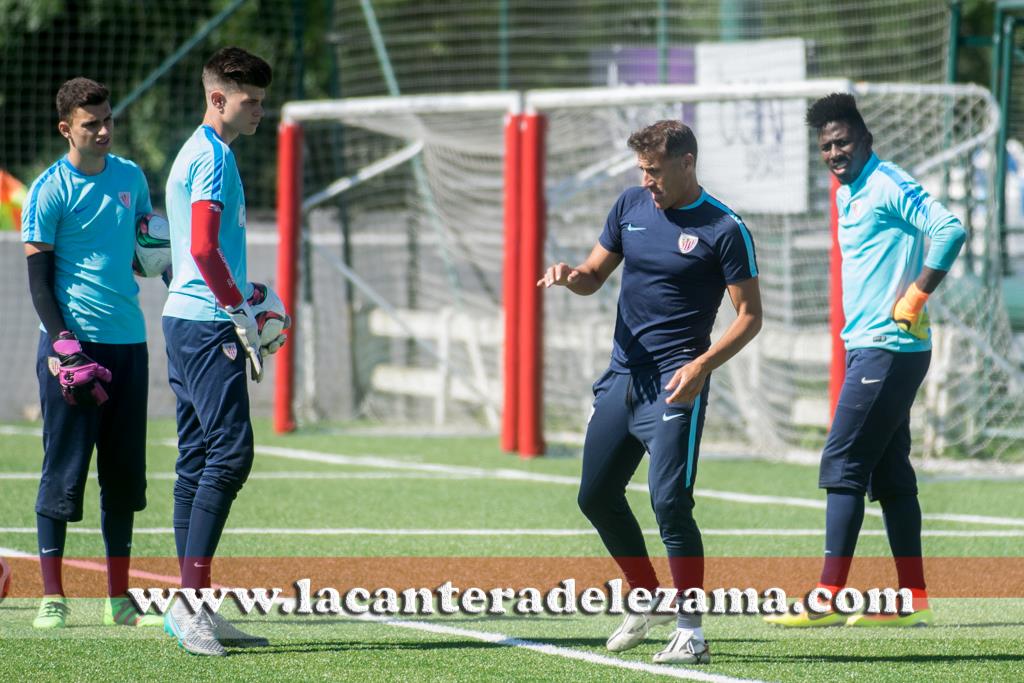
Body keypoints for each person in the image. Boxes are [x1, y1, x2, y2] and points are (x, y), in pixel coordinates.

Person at [538, 120, 762, 664]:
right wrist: (572, 276)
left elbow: (750, 317)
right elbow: (595, 273)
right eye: (641, 170)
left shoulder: (725, 228)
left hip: (675, 385)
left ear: (687, 163)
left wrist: (703, 364)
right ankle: (645, 595)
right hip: (622, 379)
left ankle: (691, 630)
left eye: (655, 171)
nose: (647, 181)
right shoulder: (629, 207)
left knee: (669, 502)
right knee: (594, 495)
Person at [765, 93, 966, 628]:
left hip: (889, 349)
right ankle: (911, 596)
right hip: (870, 349)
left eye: (843, 142)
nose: (834, 153)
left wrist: (917, 295)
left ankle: (827, 596)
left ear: (866, 140)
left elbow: (950, 229)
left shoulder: (887, 183)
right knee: (891, 474)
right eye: (826, 146)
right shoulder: (845, 193)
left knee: (842, 463)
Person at [21, 77, 161, 629]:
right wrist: (64, 345)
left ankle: (119, 601)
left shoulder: (131, 177)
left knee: (124, 476)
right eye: (91, 124)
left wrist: (175, 278)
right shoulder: (49, 188)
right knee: (63, 470)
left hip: (130, 343)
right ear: (66, 129)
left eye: (108, 119)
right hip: (72, 349)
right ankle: (51, 596)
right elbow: (37, 281)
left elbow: (150, 249)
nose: (103, 130)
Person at [161, 47, 284, 656]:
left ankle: (192, 603)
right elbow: (206, 250)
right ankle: (190, 604)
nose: (260, 109)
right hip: (208, 323)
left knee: (197, 459)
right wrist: (241, 310)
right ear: (218, 98)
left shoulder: (198, 151)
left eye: (261, 99)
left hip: (184, 320)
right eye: (250, 100)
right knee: (230, 456)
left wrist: (244, 296)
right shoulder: (212, 158)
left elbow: (197, 253)